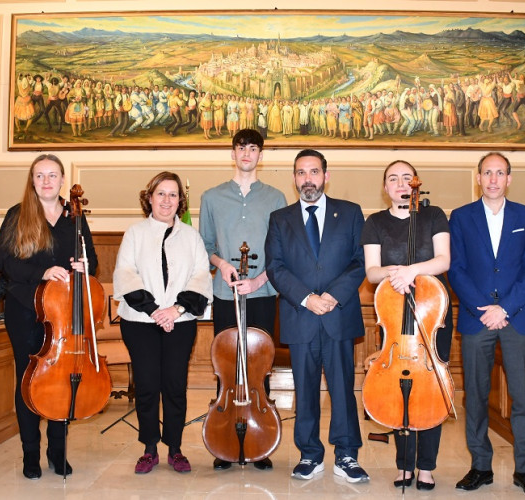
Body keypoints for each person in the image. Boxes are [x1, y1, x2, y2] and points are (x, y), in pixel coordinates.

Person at [265, 149, 369, 483]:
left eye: (313, 172)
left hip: (339, 315)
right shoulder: (280, 218)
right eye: (300, 173)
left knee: (342, 388)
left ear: (326, 175)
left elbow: (360, 261)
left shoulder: (351, 213)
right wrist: (307, 298)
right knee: (305, 391)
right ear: (294, 178)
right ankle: (310, 455)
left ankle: (347, 454)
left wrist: (332, 296)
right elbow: (275, 267)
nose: (307, 179)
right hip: (301, 316)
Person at [447, 152, 525, 496]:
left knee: (523, 397)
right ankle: (480, 466)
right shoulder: (460, 217)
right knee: (475, 395)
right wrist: (482, 308)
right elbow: (456, 269)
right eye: (487, 172)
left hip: (516, 318)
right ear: (478, 178)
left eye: (499, 173)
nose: (493, 179)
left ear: (509, 179)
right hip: (477, 320)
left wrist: (503, 308)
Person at [0, 154, 98, 480]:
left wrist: (84, 267)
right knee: (28, 378)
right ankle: (30, 453)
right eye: (39, 175)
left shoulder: (75, 219)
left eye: (52, 175)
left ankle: (58, 451)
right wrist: (44, 271)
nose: (46, 181)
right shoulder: (18, 215)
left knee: (60, 379)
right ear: (32, 180)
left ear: (62, 180)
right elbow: (6, 262)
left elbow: (92, 261)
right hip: (25, 308)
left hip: (63, 313)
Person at [361, 160, 452, 491]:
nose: (400, 184)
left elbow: (443, 260)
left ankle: (426, 466)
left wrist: (411, 271)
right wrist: (395, 274)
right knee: (398, 385)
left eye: (406, 178)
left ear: (415, 183)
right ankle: (404, 465)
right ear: (385, 187)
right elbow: (372, 271)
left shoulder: (434, 215)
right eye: (392, 179)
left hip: (432, 311)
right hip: (394, 311)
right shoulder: (375, 222)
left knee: (432, 387)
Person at [199, 128, 286, 471]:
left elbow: (280, 251)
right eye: (241, 148)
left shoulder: (277, 197)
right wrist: (221, 265)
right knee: (227, 366)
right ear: (232, 154)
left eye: (253, 149)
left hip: (263, 292)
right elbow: (206, 246)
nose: (247, 154)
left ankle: (260, 443)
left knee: (259, 367)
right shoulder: (211, 197)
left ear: (260, 156)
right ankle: (223, 441)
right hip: (226, 293)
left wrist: (261, 278)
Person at [114, 171, 212, 475]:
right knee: (146, 385)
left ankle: (175, 448)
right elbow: (126, 274)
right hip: (140, 322)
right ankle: (149, 448)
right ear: (150, 197)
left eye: (173, 194)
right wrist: (157, 310)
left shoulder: (192, 237)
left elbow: (201, 276)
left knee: (174, 385)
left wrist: (177, 309)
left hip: (180, 322)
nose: (166, 200)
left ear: (180, 201)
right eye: (161, 193)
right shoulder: (135, 232)